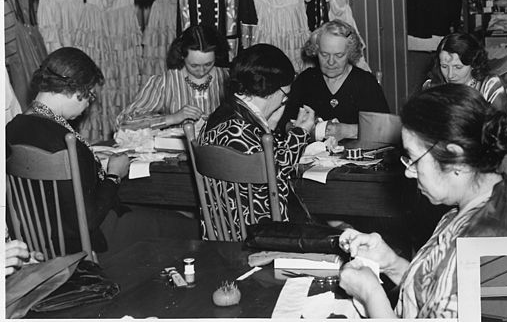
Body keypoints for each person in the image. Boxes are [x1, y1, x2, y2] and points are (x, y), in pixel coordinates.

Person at [337, 84, 507, 318]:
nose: (409, 172)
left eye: (414, 159)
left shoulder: (480, 241)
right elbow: (440, 294)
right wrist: (391, 264)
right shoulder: (493, 197)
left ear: (455, 158)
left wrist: (371, 293)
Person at [6, 47, 130, 254]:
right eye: (89, 96)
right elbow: (89, 219)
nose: (88, 105)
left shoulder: (12, 129)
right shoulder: (67, 141)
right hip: (83, 246)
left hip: (38, 245)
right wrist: (114, 175)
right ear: (75, 90)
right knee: (178, 226)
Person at [199, 43, 317, 236]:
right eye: (284, 96)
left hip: (223, 231)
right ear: (274, 91)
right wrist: (302, 132)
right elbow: (275, 173)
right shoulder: (240, 131)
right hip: (259, 235)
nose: (283, 102)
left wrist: (267, 125)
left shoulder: (220, 116)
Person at [280, 19, 390, 140]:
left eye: (339, 55)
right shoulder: (306, 80)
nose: (331, 62)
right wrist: (301, 129)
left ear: (350, 53)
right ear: (316, 51)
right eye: (324, 54)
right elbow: (283, 123)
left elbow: (385, 130)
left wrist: (348, 131)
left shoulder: (365, 82)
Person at [117, 25, 230, 130]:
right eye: (194, 65)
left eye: (208, 64)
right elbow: (123, 123)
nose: (201, 71)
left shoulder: (228, 77)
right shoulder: (164, 82)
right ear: (182, 56)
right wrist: (173, 118)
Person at [422, 32, 507, 119]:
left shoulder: (489, 85)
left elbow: (503, 125)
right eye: (444, 66)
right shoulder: (431, 88)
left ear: (473, 64)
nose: (450, 75)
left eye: (458, 67)